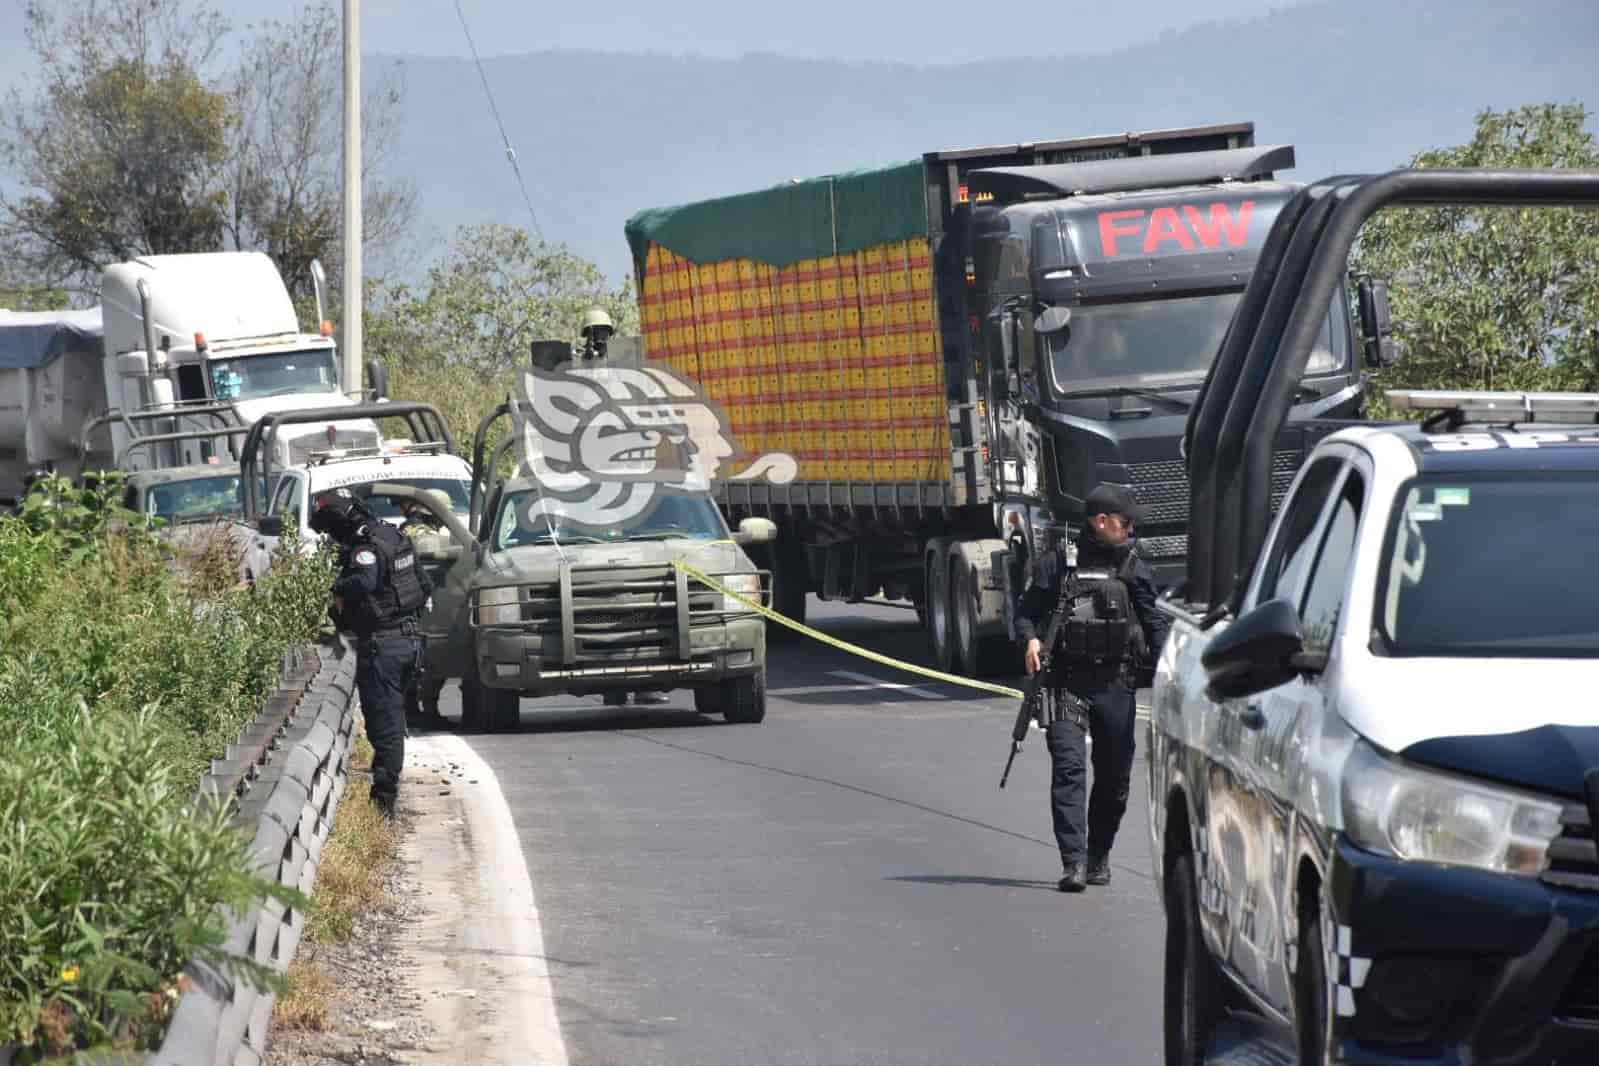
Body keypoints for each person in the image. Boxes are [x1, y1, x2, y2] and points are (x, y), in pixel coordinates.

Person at [1016, 484, 1169, 893]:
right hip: (1067, 682)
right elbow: (1026, 613)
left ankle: (1099, 856)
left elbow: (1155, 622)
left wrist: (1171, 670)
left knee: (1115, 779)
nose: (1131, 527)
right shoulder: (1057, 563)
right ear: (1101, 522)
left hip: (1116, 684)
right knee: (1068, 769)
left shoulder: (1133, 564)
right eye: (1125, 521)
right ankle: (1074, 862)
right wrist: (1030, 639)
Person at [309, 488, 432, 819]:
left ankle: (383, 805)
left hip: (384, 646)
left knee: (385, 727)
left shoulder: (366, 548)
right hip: (409, 640)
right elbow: (425, 585)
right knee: (392, 721)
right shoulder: (392, 535)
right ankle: (383, 796)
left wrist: (334, 589)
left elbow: (364, 581)